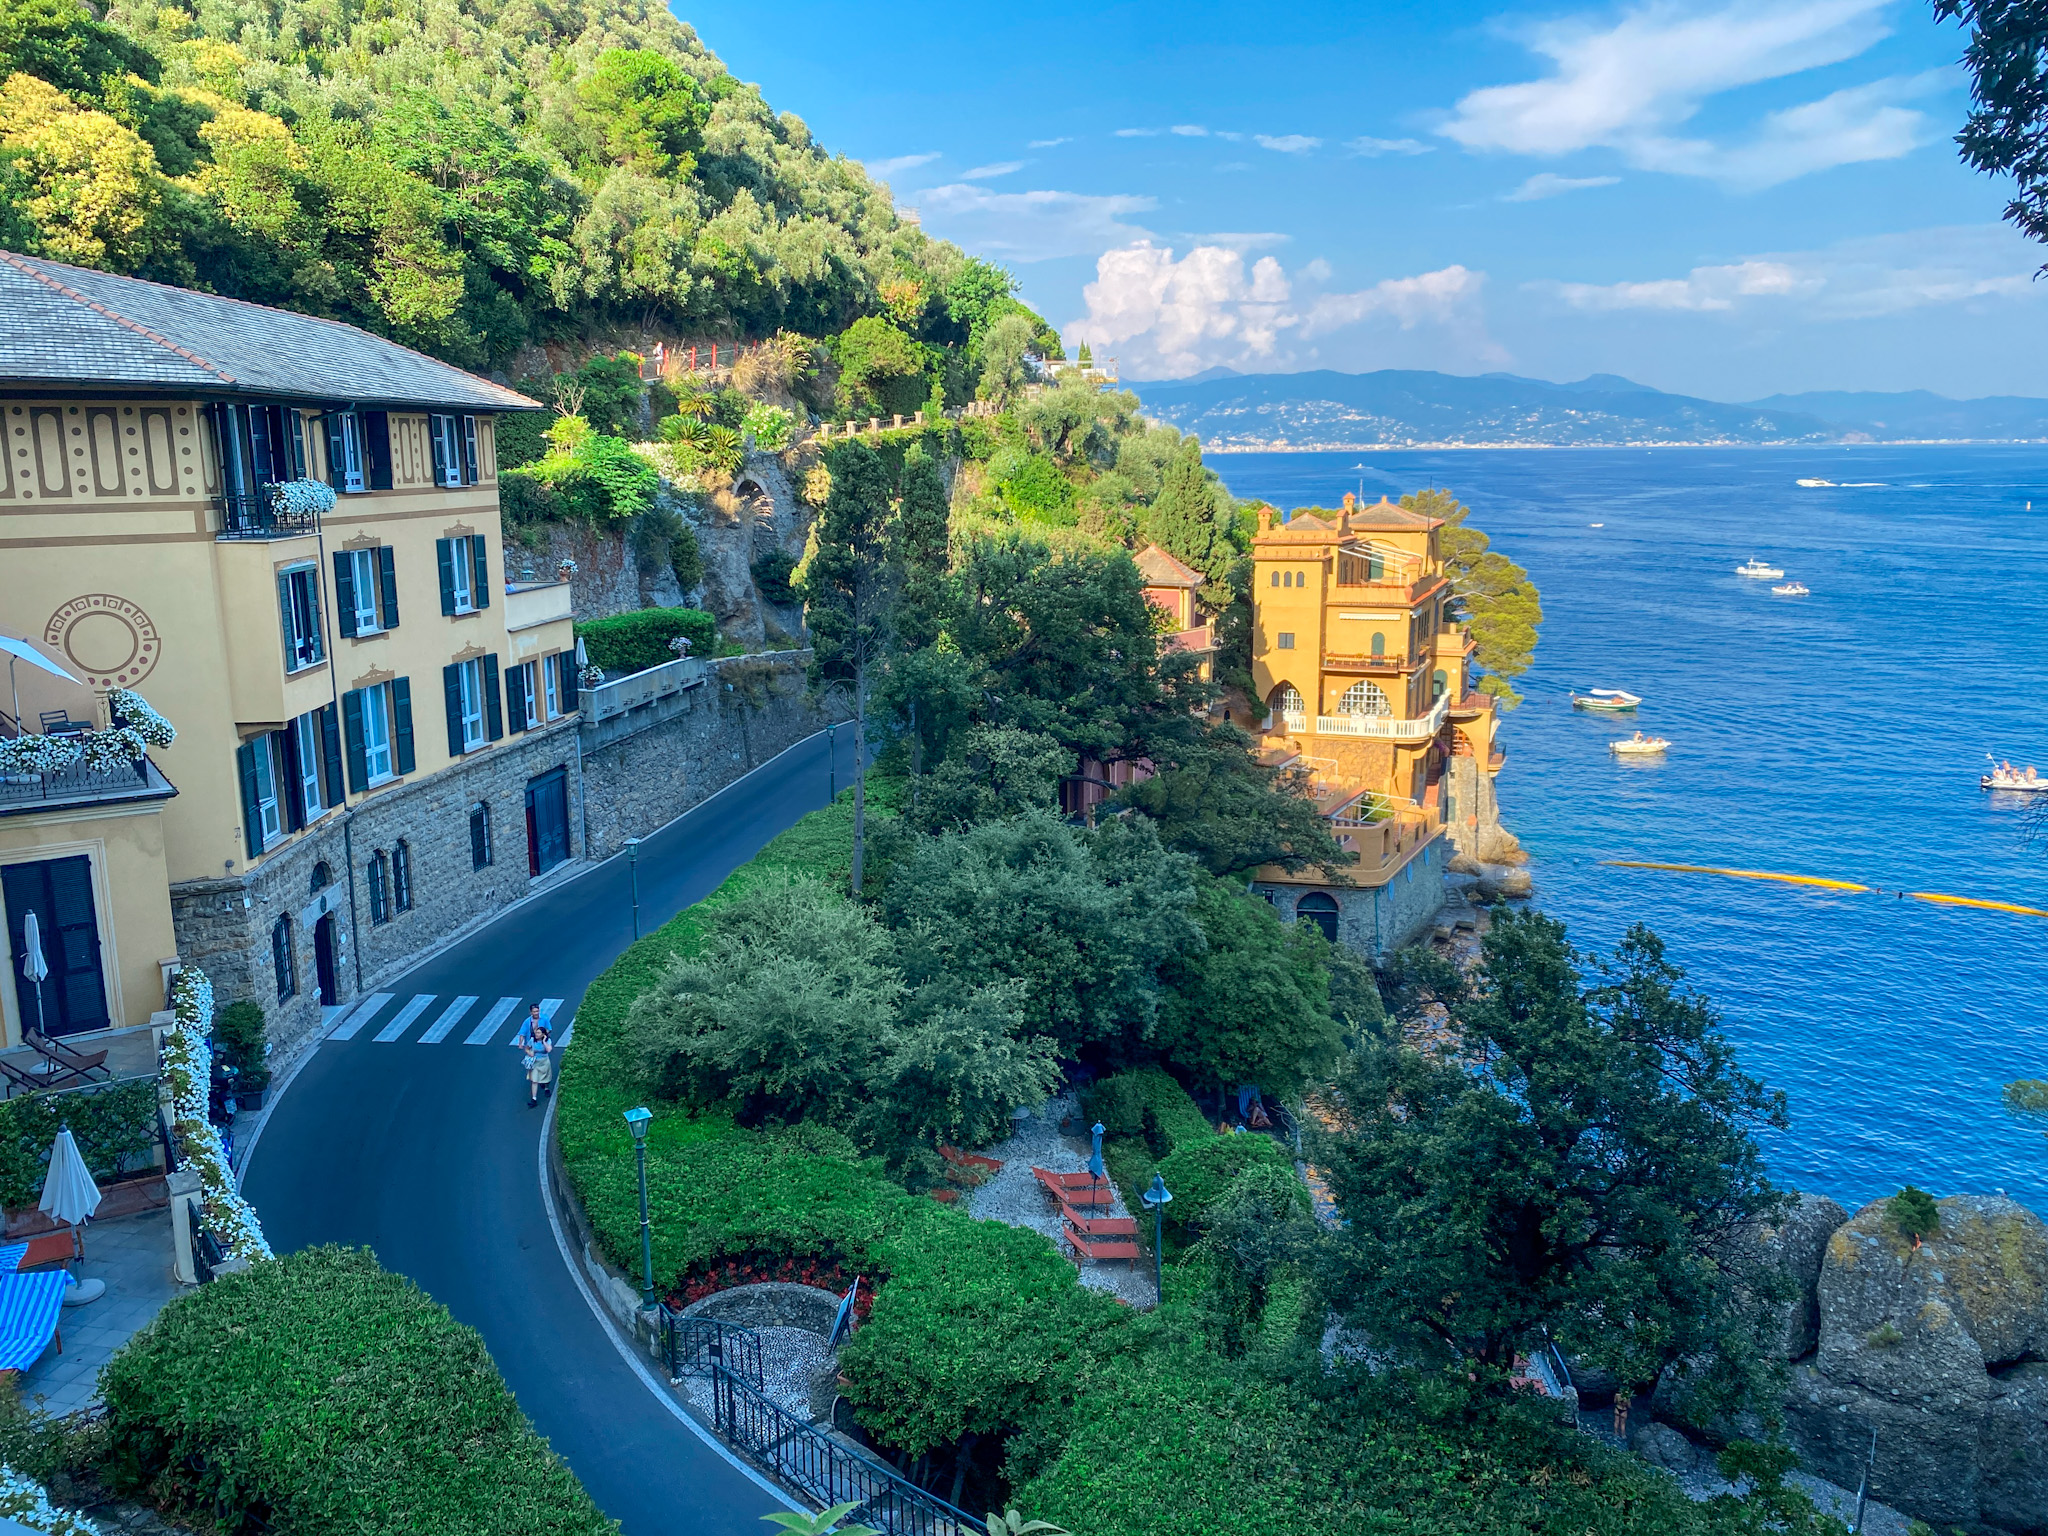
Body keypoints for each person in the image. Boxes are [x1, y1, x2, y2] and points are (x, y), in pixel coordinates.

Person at [523, 1020, 553, 1107]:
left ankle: (546, 1088)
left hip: (544, 1061)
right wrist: (529, 1053)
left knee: (546, 1078)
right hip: (535, 1062)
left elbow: (549, 1050)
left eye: (539, 1033)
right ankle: (534, 1099)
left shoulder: (548, 1041)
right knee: (534, 1080)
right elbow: (527, 1048)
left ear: (543, 1034)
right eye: (536, 1032)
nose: (537, 1034)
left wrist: (544, 1042)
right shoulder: (532, 1040)